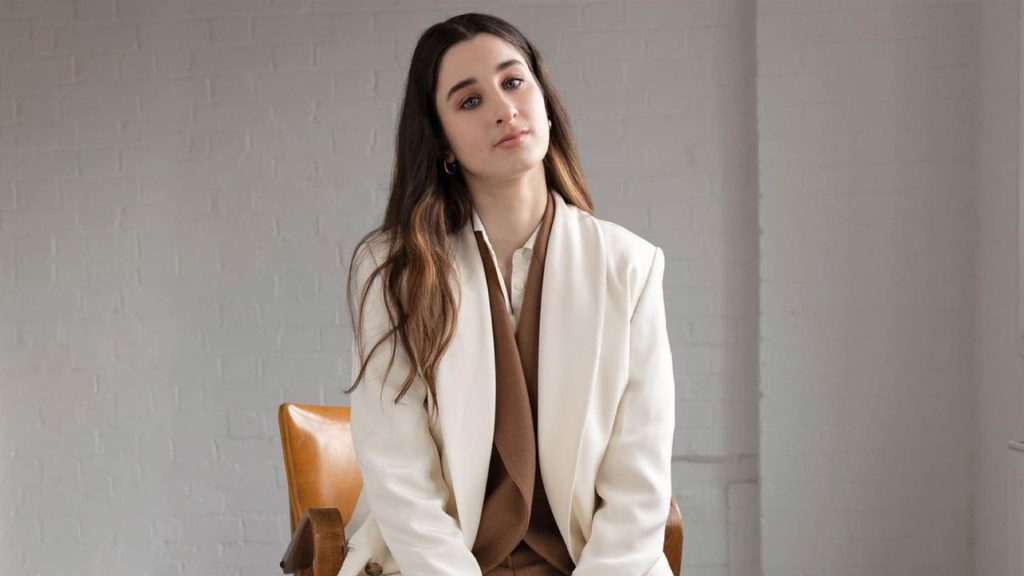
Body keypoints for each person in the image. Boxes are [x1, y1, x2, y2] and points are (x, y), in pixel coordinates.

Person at [340, 12, 675, 576]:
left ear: (545, 102)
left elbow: (638, 486)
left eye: (513, 81)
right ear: (442, 142)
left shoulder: (629, 266)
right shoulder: (395, 271)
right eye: (470, 101)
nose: (504, 108)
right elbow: (400, 479)